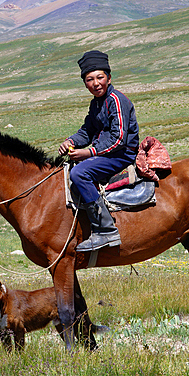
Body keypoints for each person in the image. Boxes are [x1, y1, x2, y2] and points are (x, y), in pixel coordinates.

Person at [57, 50, 139, 252]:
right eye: (89, 79)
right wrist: (70, 141)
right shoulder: (96, 104)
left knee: (79, 173)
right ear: (85, 84)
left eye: (100, 77)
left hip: (121, 154)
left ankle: (105, 229)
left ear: (109, 78)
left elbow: (119, 139)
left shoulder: (116, 101)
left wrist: (89, 153)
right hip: (106, 153)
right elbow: (87, 131)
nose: (96, 83)